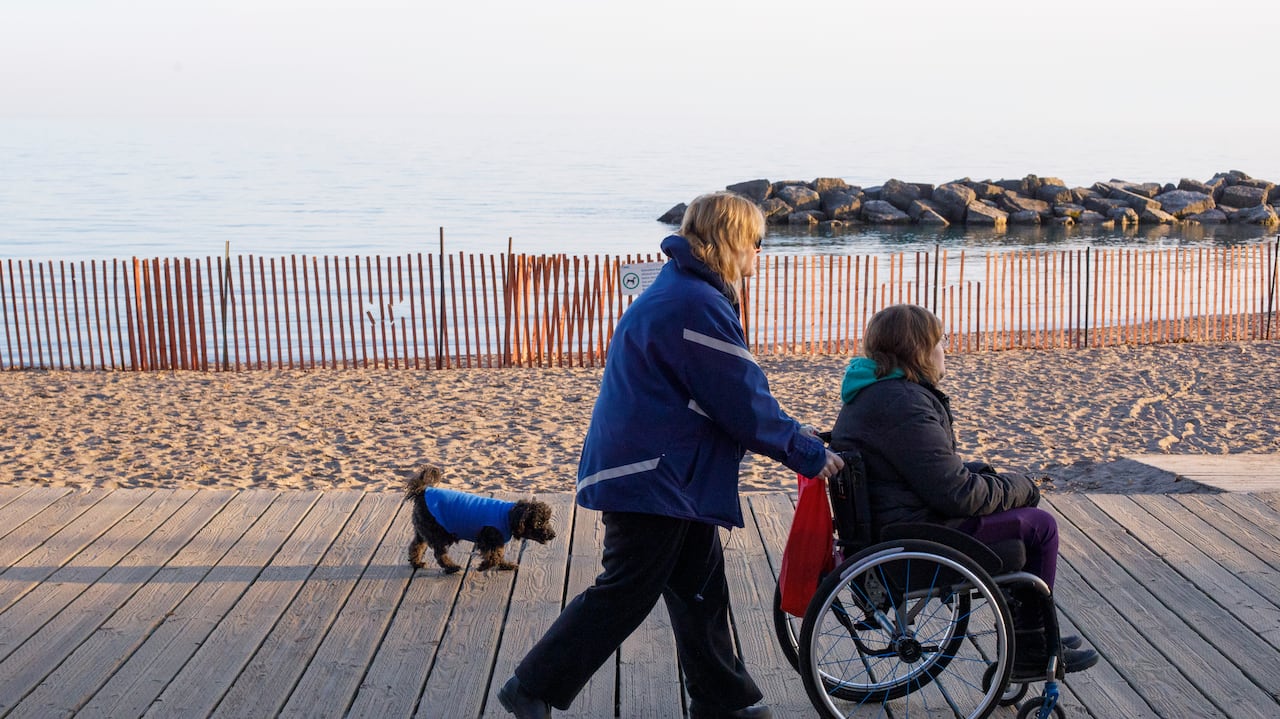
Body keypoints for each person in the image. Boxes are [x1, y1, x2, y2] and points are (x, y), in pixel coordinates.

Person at [498, 192, 844, 719]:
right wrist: (807, 452)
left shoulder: (685, 292)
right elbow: (743, 403)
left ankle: (722, 700)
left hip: (668, 472)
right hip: (652, 474)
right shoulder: (695, 305)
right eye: (756, 241)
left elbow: (731, 396)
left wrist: (798, 438)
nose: (759, 253)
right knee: (628, 590)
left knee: (700, 590)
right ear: (730, 240)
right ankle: (531, 686)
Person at [829, 303, 1098, 676]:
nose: (945, 349)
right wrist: (1022, 486)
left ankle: (1028, 632)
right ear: (919, 351)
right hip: (916, 538)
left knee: (1012, 508)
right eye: (940, 342)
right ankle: (1031, 645)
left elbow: (923, 473)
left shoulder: (873, 394)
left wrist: (986, 476)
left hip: (898, 524)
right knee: (1040, 525)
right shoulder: (904, 405)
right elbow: (956, 495)